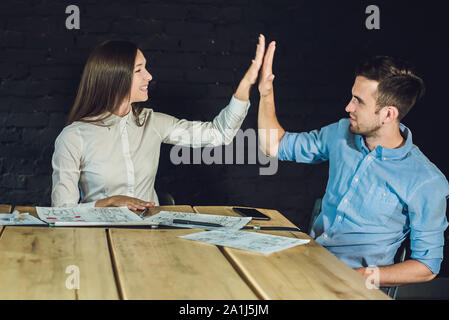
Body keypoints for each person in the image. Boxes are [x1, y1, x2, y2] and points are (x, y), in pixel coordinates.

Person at [257, 36, 449, 287]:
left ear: (388, 114)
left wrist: (362, 276)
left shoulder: (426, 181)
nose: (348, 107)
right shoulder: (340, 134)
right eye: (352, 97)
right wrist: (266, 92)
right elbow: (274, 145)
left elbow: (427, 267)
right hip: (307, 264)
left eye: (359, 101)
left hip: (350, 286)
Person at [51, 35, 266, 212]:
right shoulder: (73, 137)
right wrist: (106, 202)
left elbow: (218, 134)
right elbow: (61, 210)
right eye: (139, 70)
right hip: (99, 238)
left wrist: (246, 83)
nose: (149, 76)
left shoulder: (152, 122)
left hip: (150, 234)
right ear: (114, 78)